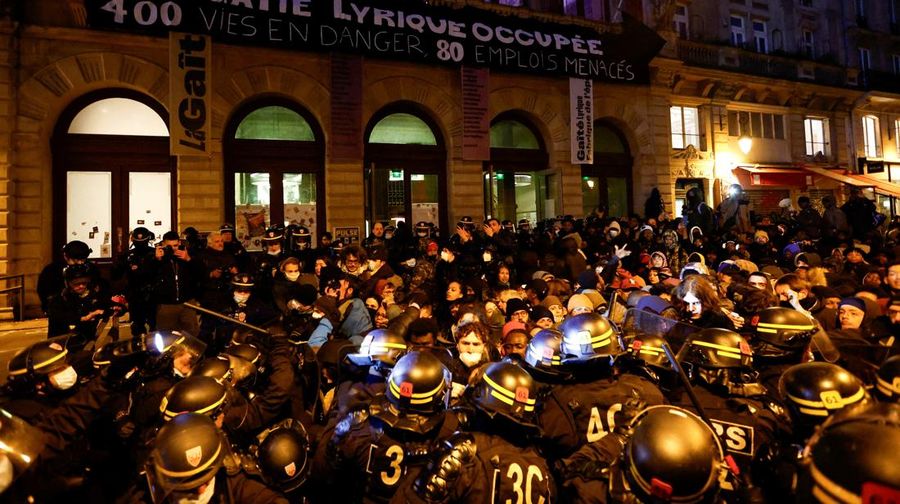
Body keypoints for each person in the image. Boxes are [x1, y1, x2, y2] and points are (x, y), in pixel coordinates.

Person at [37, 240, 92, 313]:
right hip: (60, 310)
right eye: (76, 260)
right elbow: (44, 292)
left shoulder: (89, 267)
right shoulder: (52, 271)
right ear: (66, 256)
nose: (80, 263)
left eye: (83, 260)